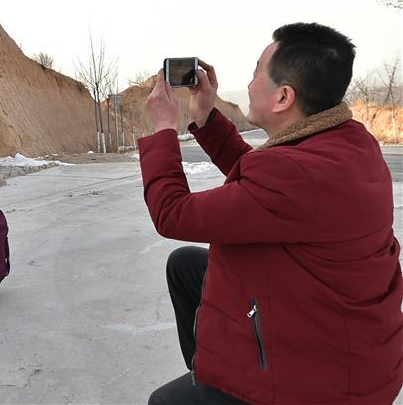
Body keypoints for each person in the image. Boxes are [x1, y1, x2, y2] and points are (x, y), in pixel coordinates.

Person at [140, 23, 402, 404]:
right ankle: (210, 374)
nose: (248, 85)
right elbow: (267, 190)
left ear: (283, 96)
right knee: (186, 267)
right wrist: (206, 117)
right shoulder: (347, 143)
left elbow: (171, 213)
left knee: (164, 402)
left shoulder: (295, 175)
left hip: (326, 385)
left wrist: (164, 130)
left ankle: (225, 390)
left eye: (255, 72)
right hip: (353, 347)